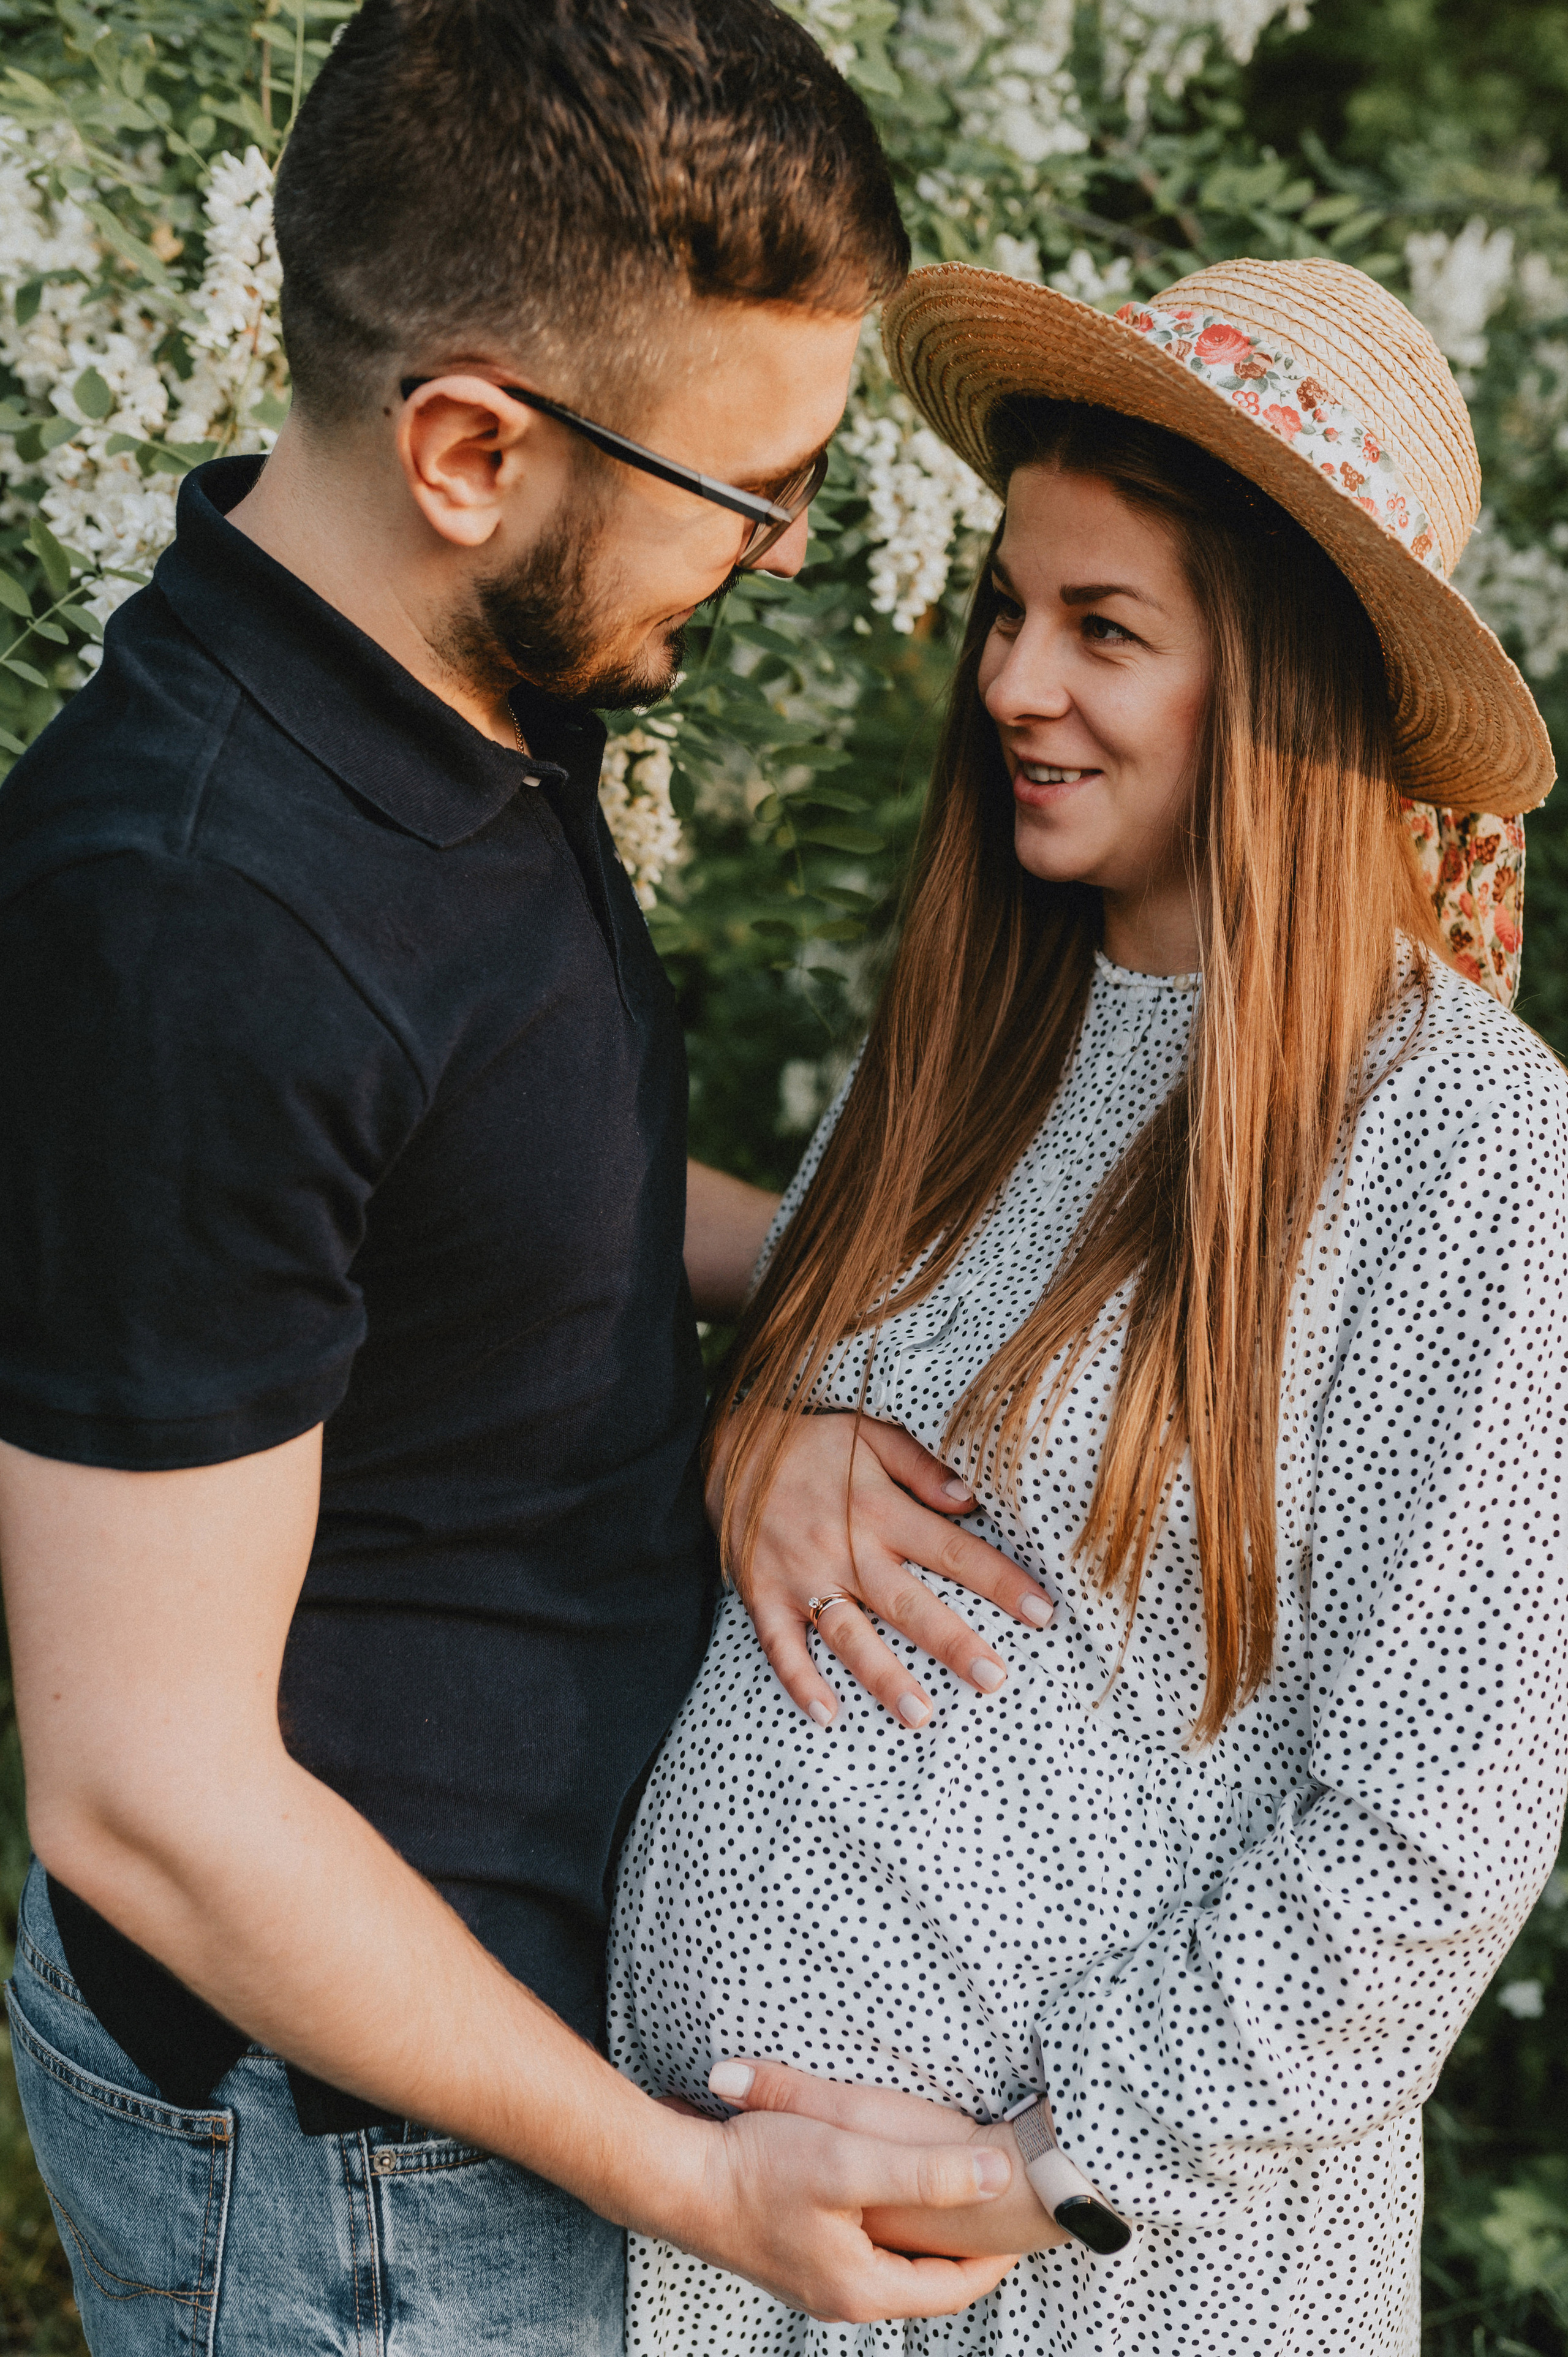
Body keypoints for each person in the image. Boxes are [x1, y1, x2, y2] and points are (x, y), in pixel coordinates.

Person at [0, 5, 1069, 2347]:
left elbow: (496, 1206)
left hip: (523, 2056)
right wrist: (688, 2185)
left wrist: (851, 1303)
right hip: (372, 2157)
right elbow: (142, 1794)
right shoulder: (191, 927)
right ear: (472, 444)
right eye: (748, 486)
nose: (789, 554)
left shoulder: (474, 687)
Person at [608, 256, 1568, 2353]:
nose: (1012, 684)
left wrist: (1039, 2173)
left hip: (1096, 2301)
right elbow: (905, 1365)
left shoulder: (1458, 1144)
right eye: (1006, 610)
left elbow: (1441, 1820)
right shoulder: (991, 1019)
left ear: (1288, 685)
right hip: (754, 2256)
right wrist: (744, 1428)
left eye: (1103, 630)